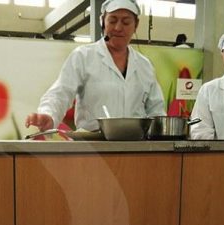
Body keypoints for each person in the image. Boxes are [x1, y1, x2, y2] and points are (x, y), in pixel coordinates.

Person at [25, 0, 165, 131]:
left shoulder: (144, 65)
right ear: (102, 21)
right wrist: (48, 114)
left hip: (136, 148)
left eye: (126, 22)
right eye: (112, 20)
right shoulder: (84, 56)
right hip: (92, 148)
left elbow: (156, 109)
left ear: (136, 25)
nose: (118, 28)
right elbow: (61, 92)